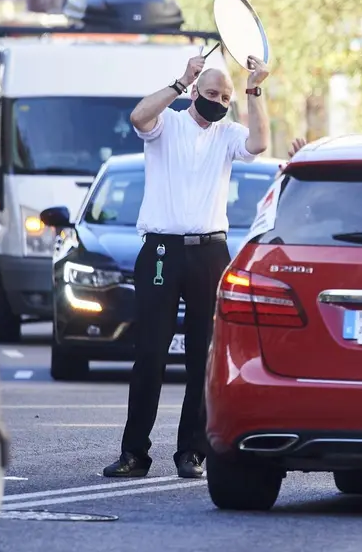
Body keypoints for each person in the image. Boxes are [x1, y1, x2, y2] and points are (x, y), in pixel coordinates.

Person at [103, 53, 272, 480]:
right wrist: (180, 81)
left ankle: (191, 452)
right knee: (150, 354)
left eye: (225, 97)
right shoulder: (169, 123)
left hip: (210, 251)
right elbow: (139, 115)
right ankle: (134, 453)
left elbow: (259, 144)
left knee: (203, 355)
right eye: (211, 93)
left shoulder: (228, 134)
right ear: (196, 92)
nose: (217, 101)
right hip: (161, 250)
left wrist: (253, 90)